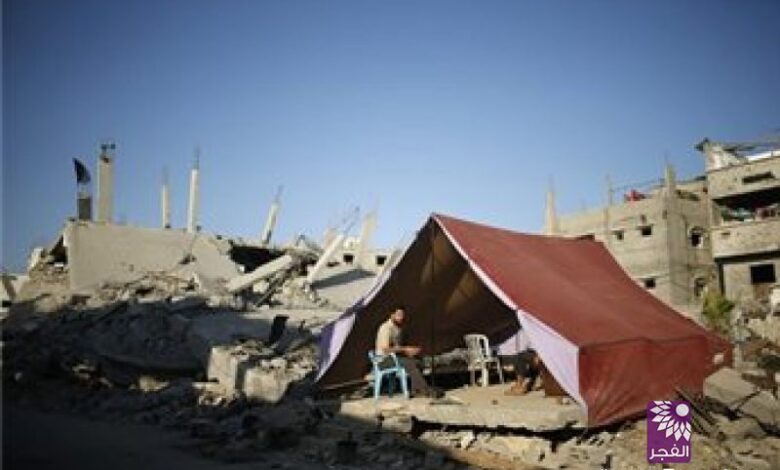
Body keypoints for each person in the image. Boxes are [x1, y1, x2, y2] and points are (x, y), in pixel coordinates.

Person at [375, 306, 436, 397]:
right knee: (410, 363)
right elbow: (385, 348)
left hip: (395, 357)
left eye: (402, 315)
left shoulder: (398, 328)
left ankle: (416, 389)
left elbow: (397, 347)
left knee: (418, 361)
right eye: (399, 315)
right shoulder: (386, 328)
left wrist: (410, 351)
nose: (401, 317)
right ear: (392, 315)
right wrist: (405, 349)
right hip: (384, 360)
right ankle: (424, 389)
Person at [497, 328, 541, 396]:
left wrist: (538, 355)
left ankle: (520, 384)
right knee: (520, 355)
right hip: (534, 352)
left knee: (520, 357)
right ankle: (521, 383)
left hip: (540, 354)